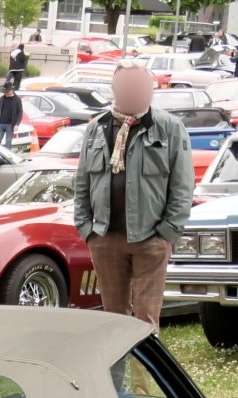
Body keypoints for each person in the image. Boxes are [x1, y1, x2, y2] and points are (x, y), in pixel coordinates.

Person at [73, 61, 192, 330]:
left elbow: (183, 186)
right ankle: (118, 363)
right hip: (105, 239)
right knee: (114, 321)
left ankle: (144, 361)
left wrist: (166, 234)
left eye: (139, 85)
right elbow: (82, 182)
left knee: (145, 322)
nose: (133, 91)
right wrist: (87, 229)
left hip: (150, 239)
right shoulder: (97, 127)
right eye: (127, 86)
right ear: (115, 89)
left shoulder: (169, 127)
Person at [0, 82, 21, 149]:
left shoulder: (17, 99)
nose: (5, 93)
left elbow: (20, 112)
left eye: (7, 91)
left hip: (10, 125)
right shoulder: (2, 98)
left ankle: (7, 155)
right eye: (4, 91)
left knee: (8, 143)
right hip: (0, 124)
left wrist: (17, 124)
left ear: (11, 90)